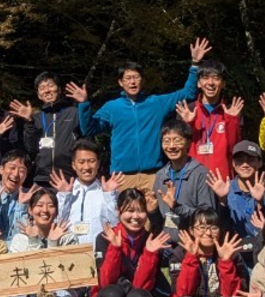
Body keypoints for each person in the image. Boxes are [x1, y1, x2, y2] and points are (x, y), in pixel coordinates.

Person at [80, 38, 210, 192]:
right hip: (122, 177)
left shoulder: (156, 103)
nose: (133, 82)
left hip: (153, 175)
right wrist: (84, 104)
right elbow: (88, 130)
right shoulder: (112, 107)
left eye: (136, 77)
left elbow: (188, 93)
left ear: (143, 80)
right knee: (125, 216)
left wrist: (195, 65)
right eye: (128, 78)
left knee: (155, 215)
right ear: (121, 82)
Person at [89, 188, 172, 297]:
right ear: (118, 211)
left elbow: (141, 287)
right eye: (130, 210)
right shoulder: (105, 238)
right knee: (112, 294)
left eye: (140, 211)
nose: (136, 216)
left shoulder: (151, 241)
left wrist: (150, 254)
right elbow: (105, 282)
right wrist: (115, 249)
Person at [161, 210, 245, 297]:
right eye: (202, 228)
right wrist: (191, 258)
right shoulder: (180, 254)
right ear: (191, 230)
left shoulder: (231, 254)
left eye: (213, 228)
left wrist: (225, 262)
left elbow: (233, 295)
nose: (208, 233)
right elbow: (183, 293)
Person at [12, 72, 90, 186]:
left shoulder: (73, 113)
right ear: (38, 95)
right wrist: (29, 122)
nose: (47, 90)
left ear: (59, 89)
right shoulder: (36, 118)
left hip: (69, 176)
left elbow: (88, 135)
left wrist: (84, 104)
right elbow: (31, 148)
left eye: (50, 85)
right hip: (42, 177)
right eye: (42, 88)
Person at [174, 60, 243, 179]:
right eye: (205, 78)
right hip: (192, 178)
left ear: (223, 83)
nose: (210, 83)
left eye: (216, 78)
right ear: (199, 83)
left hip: (222, 179)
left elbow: (235, 148)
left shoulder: (231, 111)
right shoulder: (188, 110)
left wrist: (232, 121)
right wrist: (188, 124)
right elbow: (178, 148)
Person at [151, 119, 218, 236]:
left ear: (188, 143)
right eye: (166, 141)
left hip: (191, 243)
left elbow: (207, 215)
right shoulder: (160, 176)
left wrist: (177, 208)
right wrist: (152, 210)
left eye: (177, 141)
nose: (171, 146)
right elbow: (158, 220)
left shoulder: (201, 173)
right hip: (165, 244)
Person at [53, 140, 121, 244]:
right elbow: (57, 225)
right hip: (71, 253)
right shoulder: (65, 192)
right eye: (81, 162)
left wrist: (109, 195)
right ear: (73, 165)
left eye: (91, 161)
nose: (87, 167)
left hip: (100, 253)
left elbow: (116, 225)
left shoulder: (108, 192)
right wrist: (64, 196)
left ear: (98, 163)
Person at [209, 140, 265, 245]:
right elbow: (219, 226)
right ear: (233, 164)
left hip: (263, 246)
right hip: (234, 250)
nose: (245, 165)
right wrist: (222, 201)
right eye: (240, 160)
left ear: (259, 163)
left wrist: (260, 202)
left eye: (251, 160)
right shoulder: (225, 189)